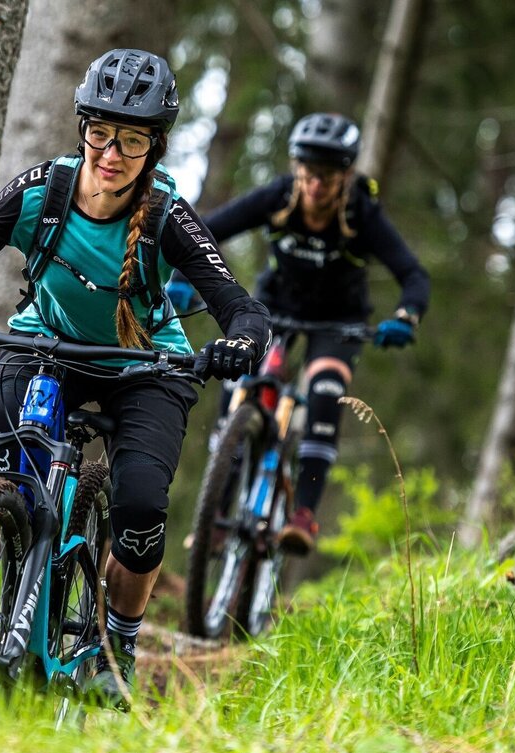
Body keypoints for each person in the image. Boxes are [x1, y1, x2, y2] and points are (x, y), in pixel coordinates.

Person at [0, 49, 270, 710]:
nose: (111, 153)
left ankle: (118, 644)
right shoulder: (42, 191)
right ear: (82, 127)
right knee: (1, 446)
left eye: (131, 140)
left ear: (155, 147)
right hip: (46, 347)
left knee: (140, 506)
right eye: (100, 132)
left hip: (146, 368)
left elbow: (236, 302)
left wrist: (240, 343)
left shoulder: (166, 213)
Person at [167, 112, 430, 556]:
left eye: (326, 176)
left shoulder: (362, 213)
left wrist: (406, 316)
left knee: (325, 389)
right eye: (307, 173)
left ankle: (303, 515)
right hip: (275, 308)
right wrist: (180, 276)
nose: (315, 185)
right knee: (240, 380)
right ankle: (216, 512)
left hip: (338, 321)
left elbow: (413, 274)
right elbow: (205, 231)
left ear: (345, 176)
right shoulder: (278, 196)